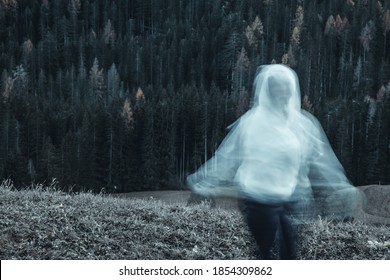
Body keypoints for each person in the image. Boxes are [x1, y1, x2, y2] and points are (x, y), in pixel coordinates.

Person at [187, 64, 364, 259]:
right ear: (268, 91)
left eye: (285, 88)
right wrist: (205, 179)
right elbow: (227, 157)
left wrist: (341, 186)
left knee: (288, 252)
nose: (282, 93)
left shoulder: (301, 124)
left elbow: (322, 159)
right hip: (255, 201)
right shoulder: (253, 123)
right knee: (271, 251)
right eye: (277, 88)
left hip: (285, 202)